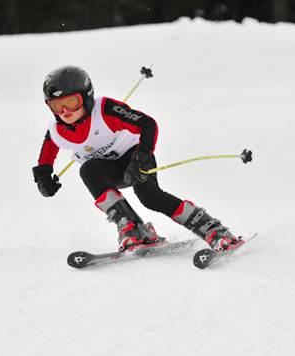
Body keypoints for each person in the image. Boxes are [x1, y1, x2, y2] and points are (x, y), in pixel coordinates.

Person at [32, 65, 242, 252]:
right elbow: (47, 152)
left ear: (86, 97)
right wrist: (44, 177)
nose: (65, 111)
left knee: (150, 196)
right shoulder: (58, 130)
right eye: (56, 106)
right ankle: (133, 228)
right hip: (107, 171)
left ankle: (213, 229)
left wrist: (142, 156)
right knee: (88, 169)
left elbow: (147, 124)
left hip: (135, 159)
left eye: (71, 102)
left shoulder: (105, 110)